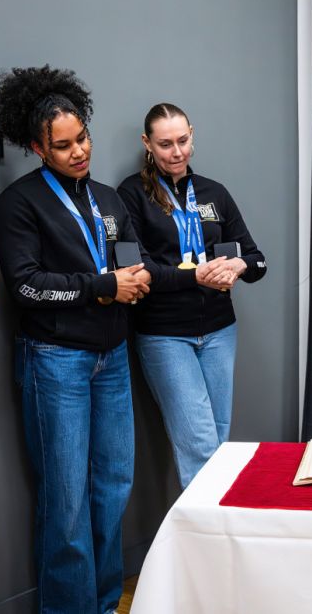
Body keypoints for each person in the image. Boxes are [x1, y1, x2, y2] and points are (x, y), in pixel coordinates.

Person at [0, 66, 152, 613]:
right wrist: (103, 287)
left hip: (113, 359)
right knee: (66, 502)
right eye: (63, 146)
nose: (79, 151)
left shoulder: (108, 198)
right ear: (38, 147)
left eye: (82, 137)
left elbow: (130, 259)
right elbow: (28, 287)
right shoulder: (19, 203)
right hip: (55, 361)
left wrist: (137, 280)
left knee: (112, 489)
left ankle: (106, 603)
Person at [117, 103, 267, 488]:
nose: (177, 152)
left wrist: (238, 267)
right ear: (147, 144)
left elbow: (257, 259)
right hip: (165, 334)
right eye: (165, 144)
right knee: (200, 447)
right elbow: (140, 270)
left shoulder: (214, 193)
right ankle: (205, 542)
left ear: (192, 135)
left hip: (220, 331)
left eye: (183, 140)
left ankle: (209, 535)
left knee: (218, 442)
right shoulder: (132, 193)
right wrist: (197, 276)